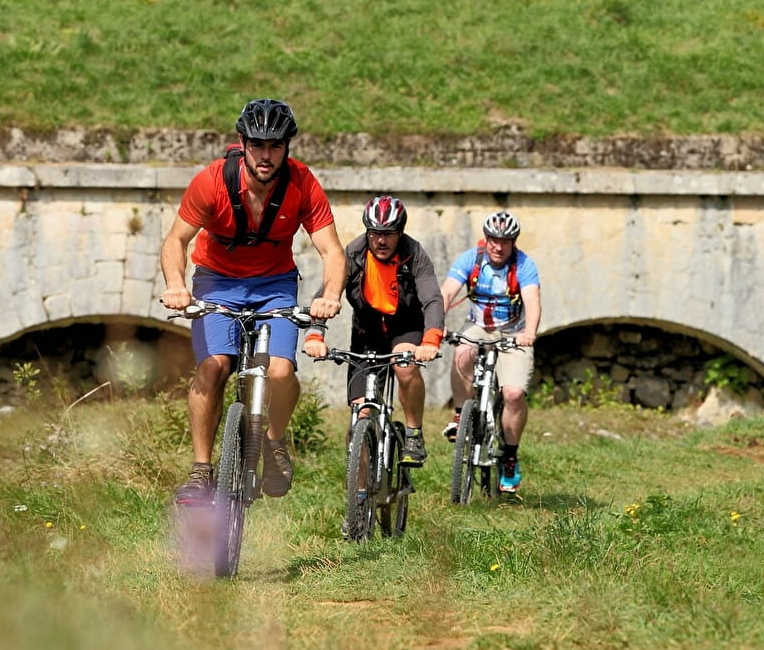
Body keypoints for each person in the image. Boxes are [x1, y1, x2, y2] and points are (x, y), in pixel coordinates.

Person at [160, 98, 345, 504]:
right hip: (216, 281)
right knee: (213, 366)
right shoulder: (212, 182)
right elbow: (176, 240)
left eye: (275, 146)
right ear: (242, 143)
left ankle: (274, 443)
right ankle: (201, 470)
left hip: (275, 285)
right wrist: (176, 285)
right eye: (258, 144)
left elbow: (332, 250)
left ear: (287, 147)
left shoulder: (302, 184)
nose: (266, 155)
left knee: (280, 371)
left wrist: (330, 295)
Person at [302, 195, 443, 466]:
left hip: (405, 328)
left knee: (405, 367)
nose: (380, 240)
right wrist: (315, 334)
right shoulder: (354, 253)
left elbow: (432, 299)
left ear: (400, 233)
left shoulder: (414, 253)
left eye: (388, 234)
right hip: (366, 334)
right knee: (360, 412)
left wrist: (431, 340)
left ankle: (413, 433)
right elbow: (327, 293)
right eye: (374, 233)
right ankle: (361, 486)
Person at [438, 210, 542, 494]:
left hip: (513, 332)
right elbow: (446, 293)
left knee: (513, 394)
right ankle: (460, 416)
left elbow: (532, 301)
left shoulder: (524, 265)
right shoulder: (470, 259)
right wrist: (438, 324)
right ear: (486, 240)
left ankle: (509, 457)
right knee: (462, 352)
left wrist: (529, 333)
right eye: (494, 240)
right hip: (478, 326)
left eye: (505, 242)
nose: (499, 247)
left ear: (513, 243)